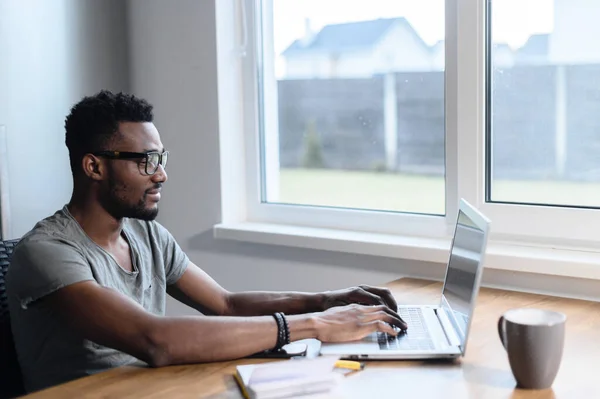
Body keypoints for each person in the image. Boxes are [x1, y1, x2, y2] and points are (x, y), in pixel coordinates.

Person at [6, 90, 407, 393]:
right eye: (145, 161)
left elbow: (226, 304)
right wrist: (313, 325)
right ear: (93, 166)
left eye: (161, 159)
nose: (160, 175)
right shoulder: (47, 253)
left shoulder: (145, 234)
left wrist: (323, 300)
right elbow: (155, 340)